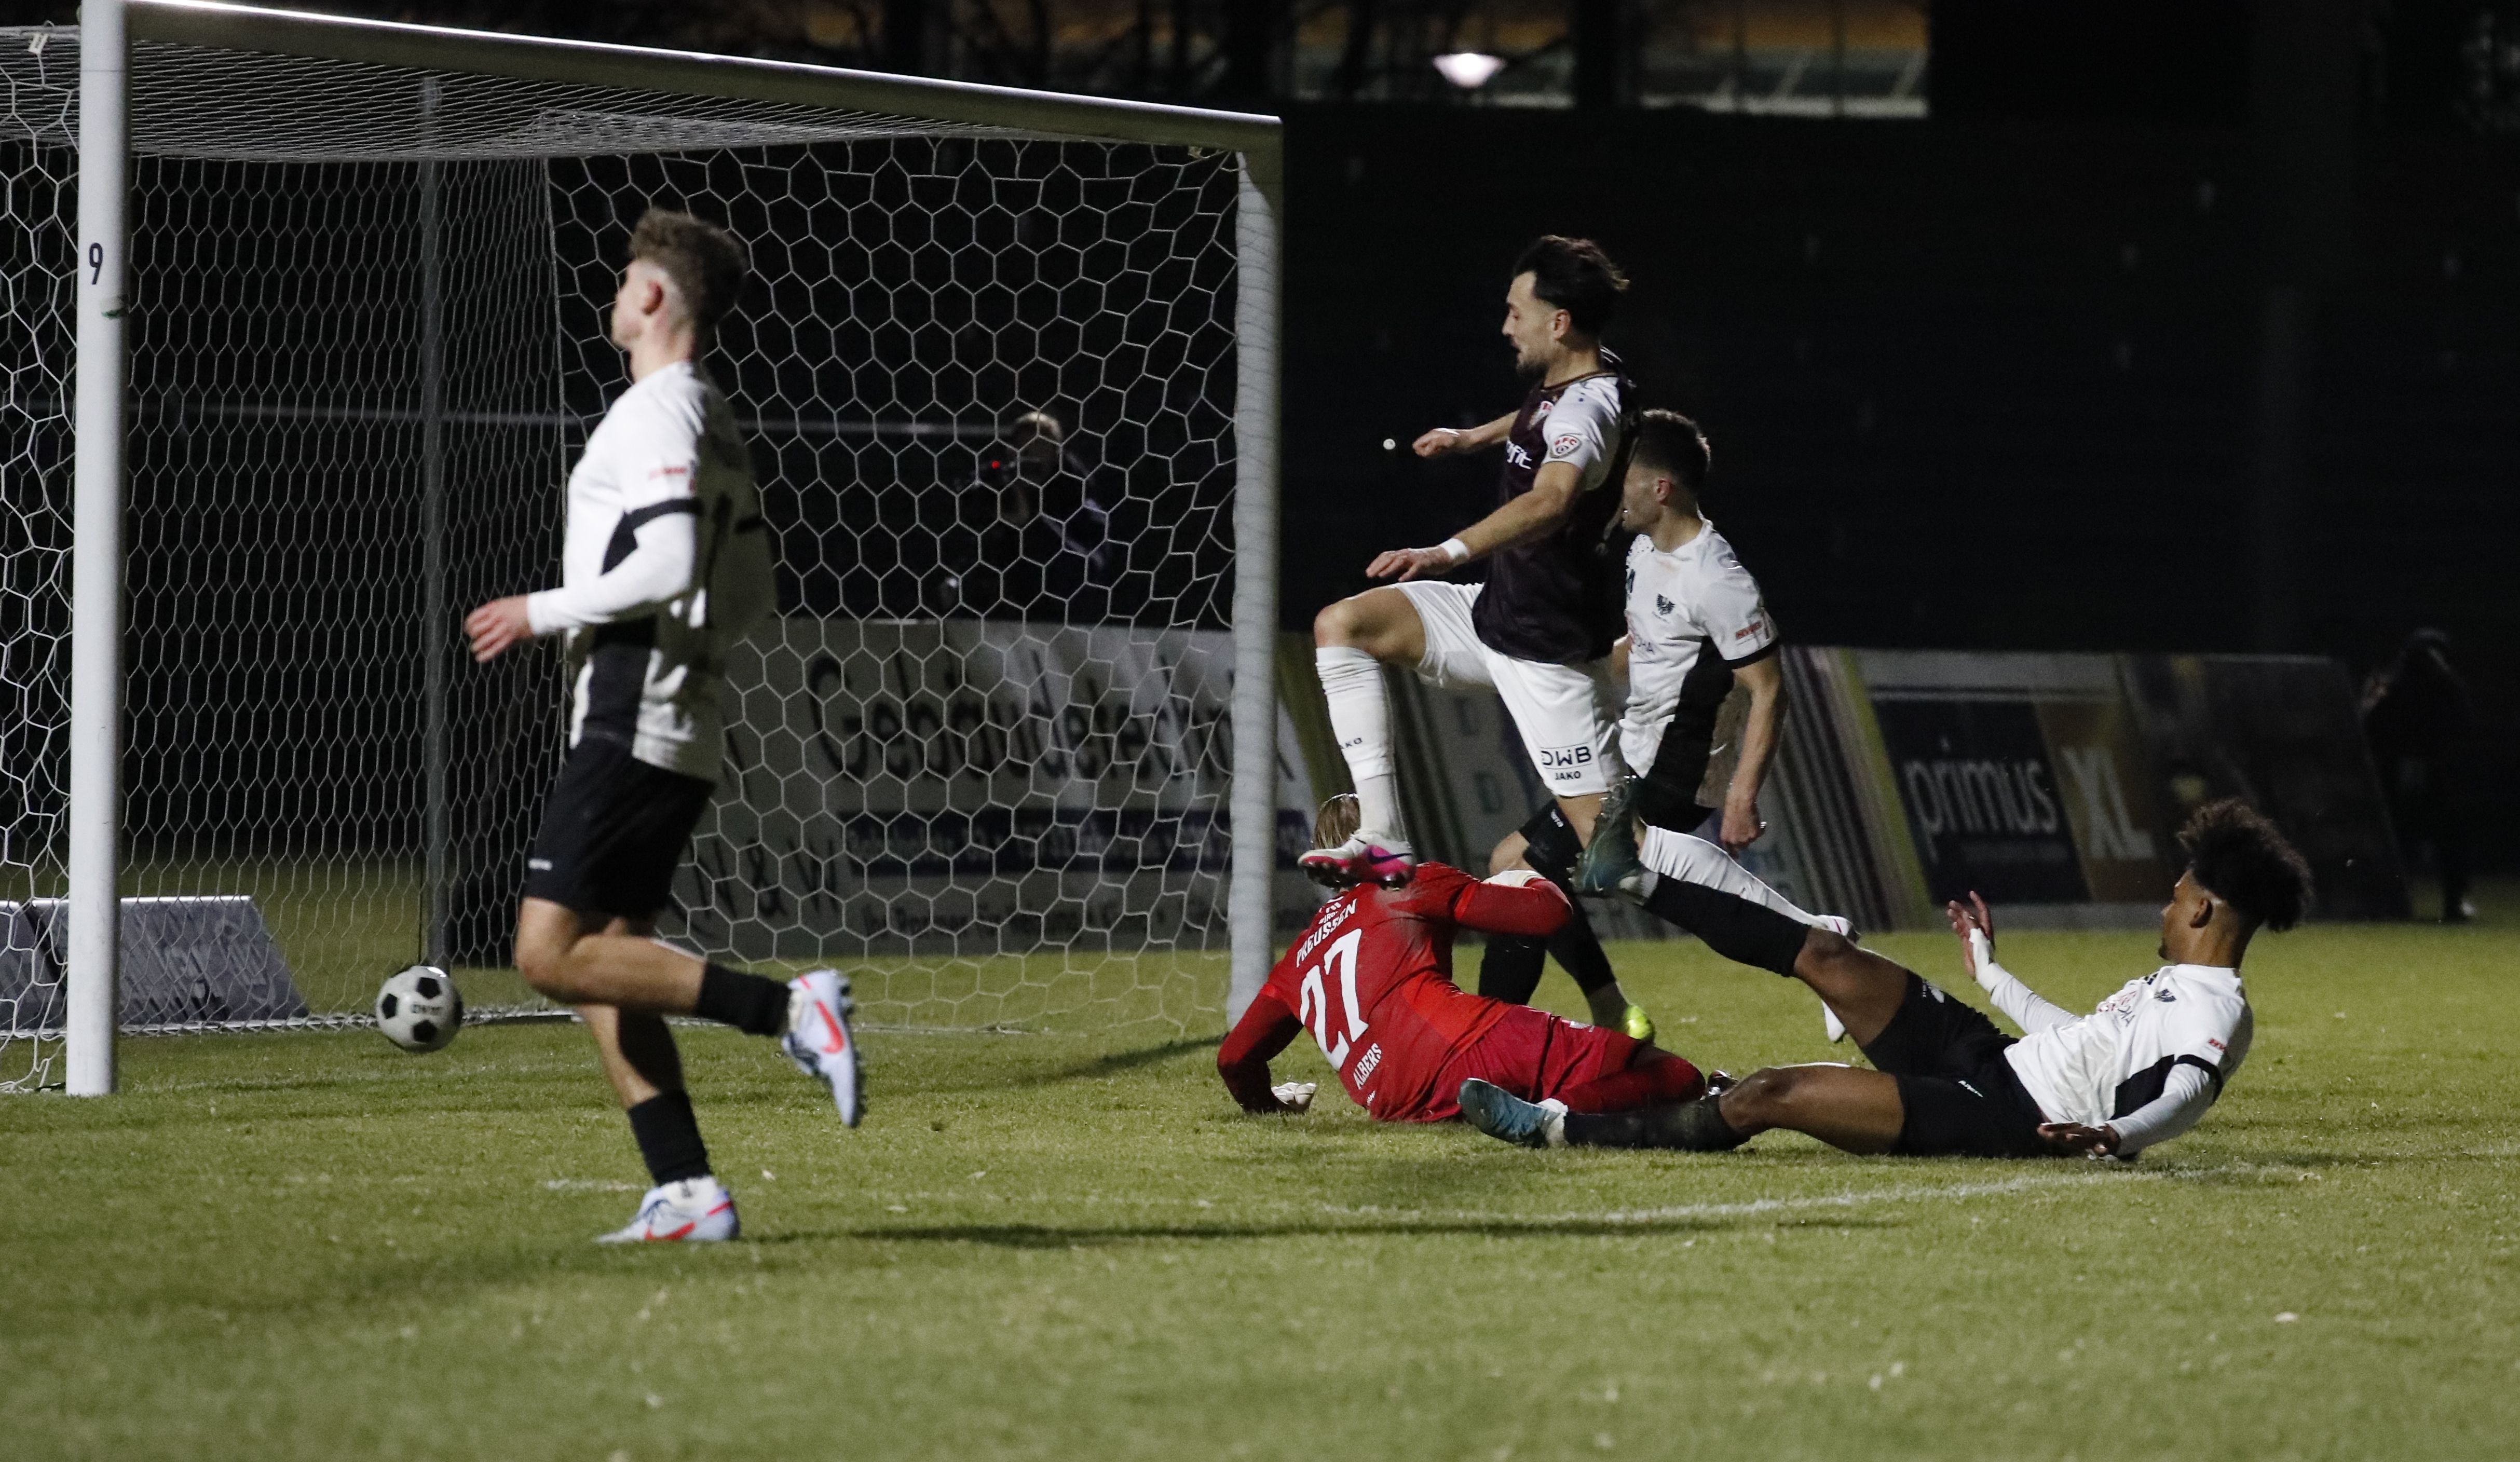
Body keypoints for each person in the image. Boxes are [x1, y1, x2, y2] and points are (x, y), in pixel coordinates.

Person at [464, 209, 863, 1245]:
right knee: (610, 961)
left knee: (549, 956)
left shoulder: (654, 412)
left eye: (623, 279)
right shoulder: (712, 417)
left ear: (650, 297)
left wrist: (541, 608)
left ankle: (789, 1012)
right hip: (678, 712)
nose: (613, 295)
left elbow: (672, 564)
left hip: (633, 709)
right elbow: (749, 590)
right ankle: (685, 1188)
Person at [1459, 799, 2309, 1162]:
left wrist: (2119, 1137)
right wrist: (1988, 967)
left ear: (2204, 910)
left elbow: (2189, 1092)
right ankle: (1633, 878)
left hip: (2008, 1115)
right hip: (1993, 1054)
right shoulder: (2170, 987)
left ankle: (1559, 1130)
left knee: (1769, 1093)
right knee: (1827, 957)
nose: (2166, 904)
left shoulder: (2218, 1009)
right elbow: (2075, 1031)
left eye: (2176, 894)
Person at [1302, 235, 1652, 1034]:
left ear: (1559, 322)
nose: (1504, 325)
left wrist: (1444, 549)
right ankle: (1382, 836)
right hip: (1491, 615)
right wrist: (1473, 439)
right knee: (1343, 625)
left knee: (1623, 858)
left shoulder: (1591, 406)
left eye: (1515, 311)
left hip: (1547, 656)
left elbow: (1551, 498)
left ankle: (1806, 935)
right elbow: (1539, 422)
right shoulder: (1579, 382)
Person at [1217, 796, 1707, 1124]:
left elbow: (1234, 1058)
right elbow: (1547, 917)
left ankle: (1532, 1109)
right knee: (1677, 1077)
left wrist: (1269, 1107)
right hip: (1464, 1046)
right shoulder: (1406, 883)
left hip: (1396, 1103)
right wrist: (1528, 875)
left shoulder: (1299, 956)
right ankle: (1551, 1119)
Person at [925, 409, 1117, 622]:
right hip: (995, 625)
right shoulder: (1000, 494)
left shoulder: (1082, 510)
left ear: (1056, 455)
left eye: (1038, 451)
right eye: (1023, 452)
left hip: (1056, 629)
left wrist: (1032, 525)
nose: (1030, 460)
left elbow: (1088, 576)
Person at [2363, 627, 2476, 922]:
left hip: (2437, 774)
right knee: (2399, 840)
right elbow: (2372, 727)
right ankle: (2392, 902)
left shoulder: (2447, 686)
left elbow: (2461, 726)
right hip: (2399, 774)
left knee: (2449, 840)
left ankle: (2454, 901)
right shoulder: (2396, 688)